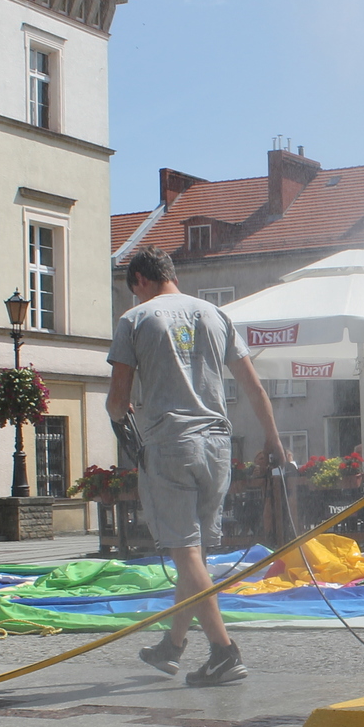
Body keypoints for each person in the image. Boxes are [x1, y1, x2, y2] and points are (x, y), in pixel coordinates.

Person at [107, 249, 285, 686]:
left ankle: (224, 652)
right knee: (196, 554)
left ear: (140, 281)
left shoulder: (135, 319)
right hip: (217, 445)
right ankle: (172, 646)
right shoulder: (215, 315)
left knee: (184, 552)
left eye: (134, 290)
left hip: (170, 443)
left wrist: (120, 419)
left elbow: (117, 398)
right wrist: (274, 441)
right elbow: (254, 386)